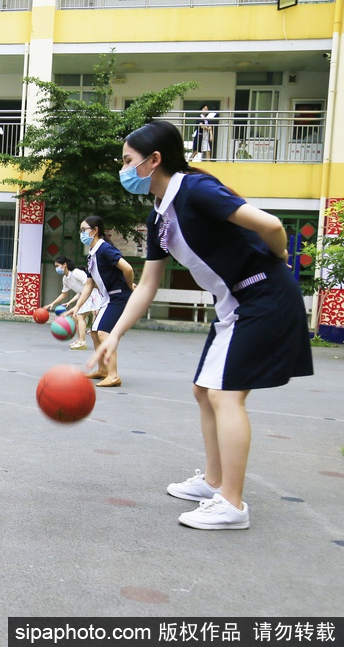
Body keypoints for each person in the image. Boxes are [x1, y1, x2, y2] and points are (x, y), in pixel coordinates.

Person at [91, 119, 313, 530]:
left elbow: (272, 226)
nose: (123, 170)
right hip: (234, 304)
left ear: (154, 160)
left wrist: (280, 258)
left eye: (127, 161)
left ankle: (232, 504)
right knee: (203, 390)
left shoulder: (195, 190)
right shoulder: (160, 215)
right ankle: (214, 482)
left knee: (226, 396)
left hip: (262, 296)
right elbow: (148, 285)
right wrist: (115, 335)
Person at [70, 215, 135, 388]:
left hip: (119, 296)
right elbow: (89, 285)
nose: (81, 233)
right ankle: (103, 370)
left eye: (84, 230)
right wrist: (77, 307)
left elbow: (128, 268)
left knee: (104, 334)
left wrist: (130, 286)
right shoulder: (92, 255)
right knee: (94, 332)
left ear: (95, 230)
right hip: (109, 298)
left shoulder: (104, 249)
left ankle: (113, 376)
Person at [46, 255, 101, 350]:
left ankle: (82, 341)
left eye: (57, 266)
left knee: (79, 316)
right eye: (55, 267)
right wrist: (52, 303)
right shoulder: (65, 279)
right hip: (84, 296)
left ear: (65, 264)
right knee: (75, 316)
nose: (57, 268)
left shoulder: (76, 272)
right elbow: (64, 294)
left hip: (92, 294)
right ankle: (79, 340)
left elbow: (89, 284)